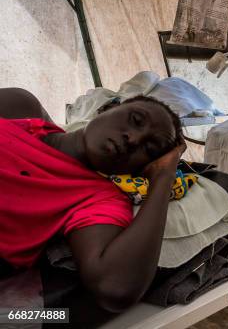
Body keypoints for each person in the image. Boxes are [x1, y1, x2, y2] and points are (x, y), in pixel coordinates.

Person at [0, 87, 186, 312]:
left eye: (148, 148)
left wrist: (163, 178)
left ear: (142, 169)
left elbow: (115, 289)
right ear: (108, 108)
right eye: (136, 120)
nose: (133, 139)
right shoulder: (19, 107)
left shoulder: (98, 199)